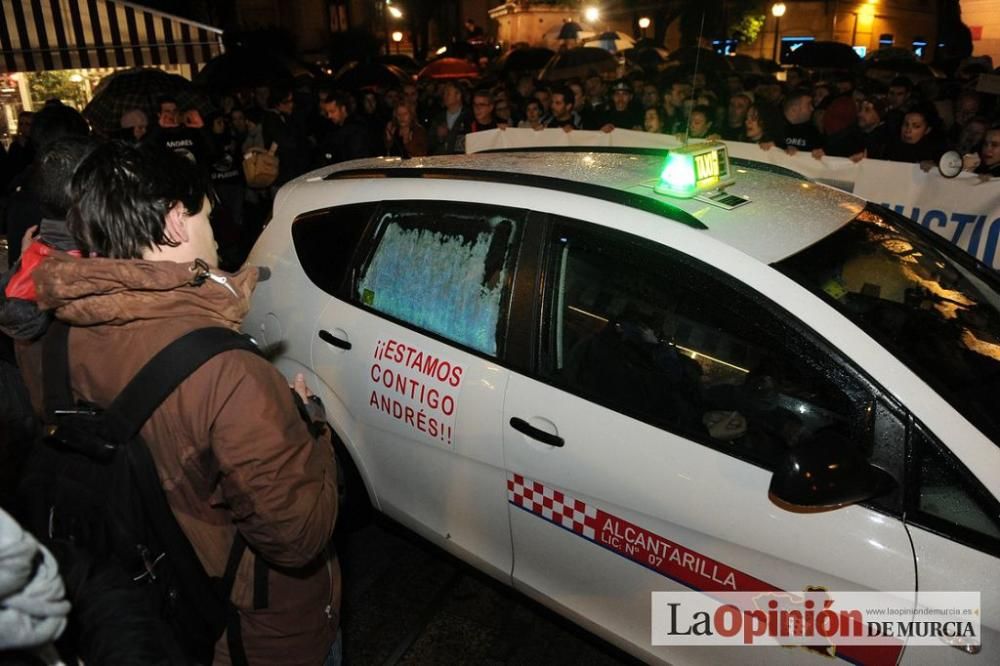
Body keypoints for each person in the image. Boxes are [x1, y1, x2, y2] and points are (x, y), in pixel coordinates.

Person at [20, 142, 340, 666]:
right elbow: (298, 536)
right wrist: (308, 425)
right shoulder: (228, 372)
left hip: (140, 610)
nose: (216, 231)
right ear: (173, 222)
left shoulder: (49, 338)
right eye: (207, 215)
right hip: (249, 636)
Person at [428, 81, 472, 155]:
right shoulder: (438, 117)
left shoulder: (469, 117)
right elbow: (430, 144)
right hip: (442, 161)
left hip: (463, 161)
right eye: (444, 94)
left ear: (458, 96)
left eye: (448, 94)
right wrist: (439, 138)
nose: (444, 96)